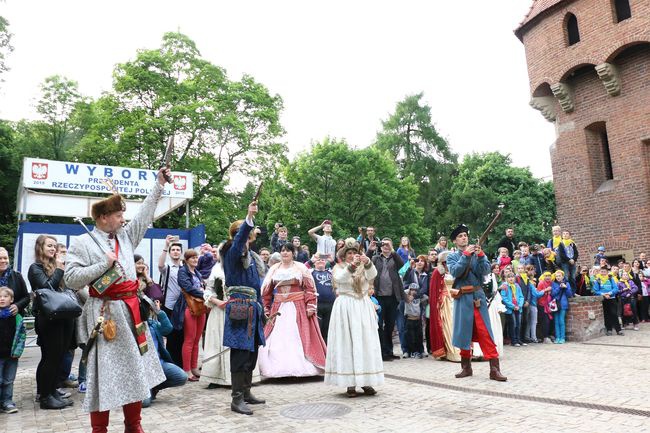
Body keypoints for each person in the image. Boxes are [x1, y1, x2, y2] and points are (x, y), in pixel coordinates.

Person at [64, 167, 169, 432]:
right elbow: (71, 279)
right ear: (103, 217)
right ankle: (99, 430)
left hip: (131, 311)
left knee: (134, 370)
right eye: (119, 215)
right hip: (104, 315)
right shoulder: (82, 243)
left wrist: (158, 185)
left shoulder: (125, 236)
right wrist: (102, 264)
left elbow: (145, 215)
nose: (124, 219)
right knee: (104, 376)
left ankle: (134, 426)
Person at [221, 202, 266, 416]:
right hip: (239, 308)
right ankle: (236, 399)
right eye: (244, 235)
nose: (247, 240)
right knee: (240, 354)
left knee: (252, 353)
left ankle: (246, 392)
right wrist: (249, 216)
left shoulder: (252, 259)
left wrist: (263, 310)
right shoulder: (231, 252)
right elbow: (238, 242)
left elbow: (258, 288)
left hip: (253, 308)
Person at [324, 238, 383, 397]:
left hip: (362, 305)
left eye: (354, 253)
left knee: (365, 342)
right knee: (347, 343)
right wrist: (352, 266)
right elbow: (340, 279)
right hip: (346, 306)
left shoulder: (363, 267)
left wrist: (367, 261)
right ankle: (349, 384)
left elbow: (373, 274)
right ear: (344, 255)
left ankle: (366, 381)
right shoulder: (338, 267)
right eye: (349, 253)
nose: (352, 255)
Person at [447, 224, 506, 381]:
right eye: (460, 236)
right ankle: (466, 368)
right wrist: (466, 255)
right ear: (454, 241)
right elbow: (455, 272)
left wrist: (481, 256)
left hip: (477, 297)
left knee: (485, 332)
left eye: (465, 235)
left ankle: (494, 369)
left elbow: (486, 271)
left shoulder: (477, 253)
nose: (464, 237)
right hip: (462, 298)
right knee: (463, 334)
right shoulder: (452, 256)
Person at [258, 243, 326, 378]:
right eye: (283, 251)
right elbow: (266, 292)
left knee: (297, 335)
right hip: (279, 307)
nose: (285, 253)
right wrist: (266, 307)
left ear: (293, 253)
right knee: (277, 337)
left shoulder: (300, 268)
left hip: (297, 306)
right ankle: (275, 368)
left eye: (288, 251)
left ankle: (304, 367)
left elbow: (310, 288)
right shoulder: (273, 269)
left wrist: (311, 305)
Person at [29, 234, 75, 410]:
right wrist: (60, 269)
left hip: (64, 317)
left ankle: (52, 391)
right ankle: (45, 396)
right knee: (50, 357)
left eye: (54, 246)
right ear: (40, 247)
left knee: (59, 356)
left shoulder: (55, 266)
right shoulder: (36, 268)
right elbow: (47, 288)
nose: (53, 249)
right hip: (48, 319)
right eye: (49, 245)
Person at [140, 298, 187, 408]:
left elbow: (168, 328)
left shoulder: (153, 324)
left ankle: (155, 386)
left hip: (159, 363)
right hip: (143, 369)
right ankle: (147, 388)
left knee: (181, 377)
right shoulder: (133, 327)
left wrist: (159, 312)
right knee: (145, 403)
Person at [174, 249, 206, 381]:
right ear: (186, 259)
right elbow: (187, 288)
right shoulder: (183, 271)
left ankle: (194, 368)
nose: (195, 259)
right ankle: (186, 370)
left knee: (197, 339)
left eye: (196, 257)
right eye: (192, 258)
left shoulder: (197, 273)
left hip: (200, 307)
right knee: (189, 339)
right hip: (188, 307)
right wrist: (204, 294)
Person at [371, 238, 405, 361]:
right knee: (379, 325)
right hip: (379, 297)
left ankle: (389, 351)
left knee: (390, 325)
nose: (385, 246)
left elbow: (403, 265)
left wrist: (393, 250)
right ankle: (381, 352)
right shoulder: (376, 259)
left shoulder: (394, 258)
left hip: (392, 296)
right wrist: (370, 249)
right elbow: (367, 266)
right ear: (380, 247)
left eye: (388, 244)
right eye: (383, 244)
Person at [428, 251, 461, 362]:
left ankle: (461, 351)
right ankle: (451, 352)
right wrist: (441, 297)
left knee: (458, 325)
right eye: (447, 262)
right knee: (449, 325)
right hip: (445, 303)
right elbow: (434, 291)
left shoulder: (455, 271)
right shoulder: (438, 272)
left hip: (456, 299)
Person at [158, 236, 184, 367]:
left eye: (177, 250)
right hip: (169, 306)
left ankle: (180, 363)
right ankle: (170, 363)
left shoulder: (184, 268)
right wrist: (166, 245)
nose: (175, 251)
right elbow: (160, 265)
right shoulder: (167, 267)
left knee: (181, 336)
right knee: (171, 335)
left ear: (181, 252)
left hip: (183, 307)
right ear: (170, 252)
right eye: (173, 250)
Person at [0, 287, 26, 414]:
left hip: (11, 355)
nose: (2, 299)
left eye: (5, 296)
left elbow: (22, 335)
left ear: (12, 300)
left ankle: (7, 401)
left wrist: (18, 351)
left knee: (9, 379)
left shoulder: (17, 317)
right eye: (0, 296)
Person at [0, 248, 29, 330]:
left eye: (5, 258)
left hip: (13, 323)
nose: (3, 261)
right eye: (0, 258)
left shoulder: (17, 276)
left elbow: (26, 297)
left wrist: (17, 306)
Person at [591, 266, 622, 336]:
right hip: (604, 299)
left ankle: (618, 330)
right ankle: (609, 330)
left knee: (614, 314)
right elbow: (595, 290)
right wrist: (603, 294)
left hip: (612, 299)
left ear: (607, 272)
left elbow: (616, 288)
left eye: (604, 272)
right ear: (599, 272)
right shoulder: (598, 280)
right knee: (607, 315)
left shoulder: (611, 279)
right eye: (601, 271)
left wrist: (609, 293)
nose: (603, 273)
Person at [311, 255, 334, 343]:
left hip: (331, 305)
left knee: (328, 330)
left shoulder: (331, 272)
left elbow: (342, 271)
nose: (320, 261)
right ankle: (319, 352)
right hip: (317, 305)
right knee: (318, 330)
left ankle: (327, 352)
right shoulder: (310, 272)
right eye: (318, 260)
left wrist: (332, 262)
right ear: (314, 263)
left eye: (322, 260)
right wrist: (311, 261)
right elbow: (301, 270)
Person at [500, 272, 525, 347]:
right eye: (509, 277)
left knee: (518, 324)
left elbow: (521, 296)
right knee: (513, 324)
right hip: (510, 309)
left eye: (512, 277)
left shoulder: (517, 286)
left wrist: (519, 305)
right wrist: (513, 306)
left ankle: (518, 339)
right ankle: (513, 340)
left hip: (518, 308)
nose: (511, 278)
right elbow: (504, 298)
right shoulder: (505, 286)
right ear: (506, 278)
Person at [403, 284, 427, 358]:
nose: (413, 291)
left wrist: (418, 295)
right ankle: (411, 352)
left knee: (419, 336)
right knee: (410, 337)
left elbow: (426, 298)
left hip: (417, 319)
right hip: (409, 319)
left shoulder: (419, 296)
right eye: (412, 289)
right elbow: (402, 293)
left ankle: (421, 351)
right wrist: (409, 294)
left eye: (415, 290)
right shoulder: (406, 295)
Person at [550, 270, 573, 344]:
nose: (558, 277)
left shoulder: (567, 283)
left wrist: (565, 287)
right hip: (556, 304)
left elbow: (570, 294)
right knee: (556, 321)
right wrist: (559, 288)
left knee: (561, 321)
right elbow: (552, 294)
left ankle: (562, 338)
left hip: (563, 304)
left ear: (562, 276)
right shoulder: (553, 284)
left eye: (559, 276)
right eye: (557, 276)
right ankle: (557, 337)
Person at [536, 272, 554, 343]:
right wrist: (546, 290)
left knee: (551, 320)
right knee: (544, 321)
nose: (548, 277)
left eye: (549, 276)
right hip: (542, 305)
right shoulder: (541, 283)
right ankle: (545, 337)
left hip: (550, 305)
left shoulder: (552, 283)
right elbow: (538, 294)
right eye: (546, 276)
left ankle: (549, 335)